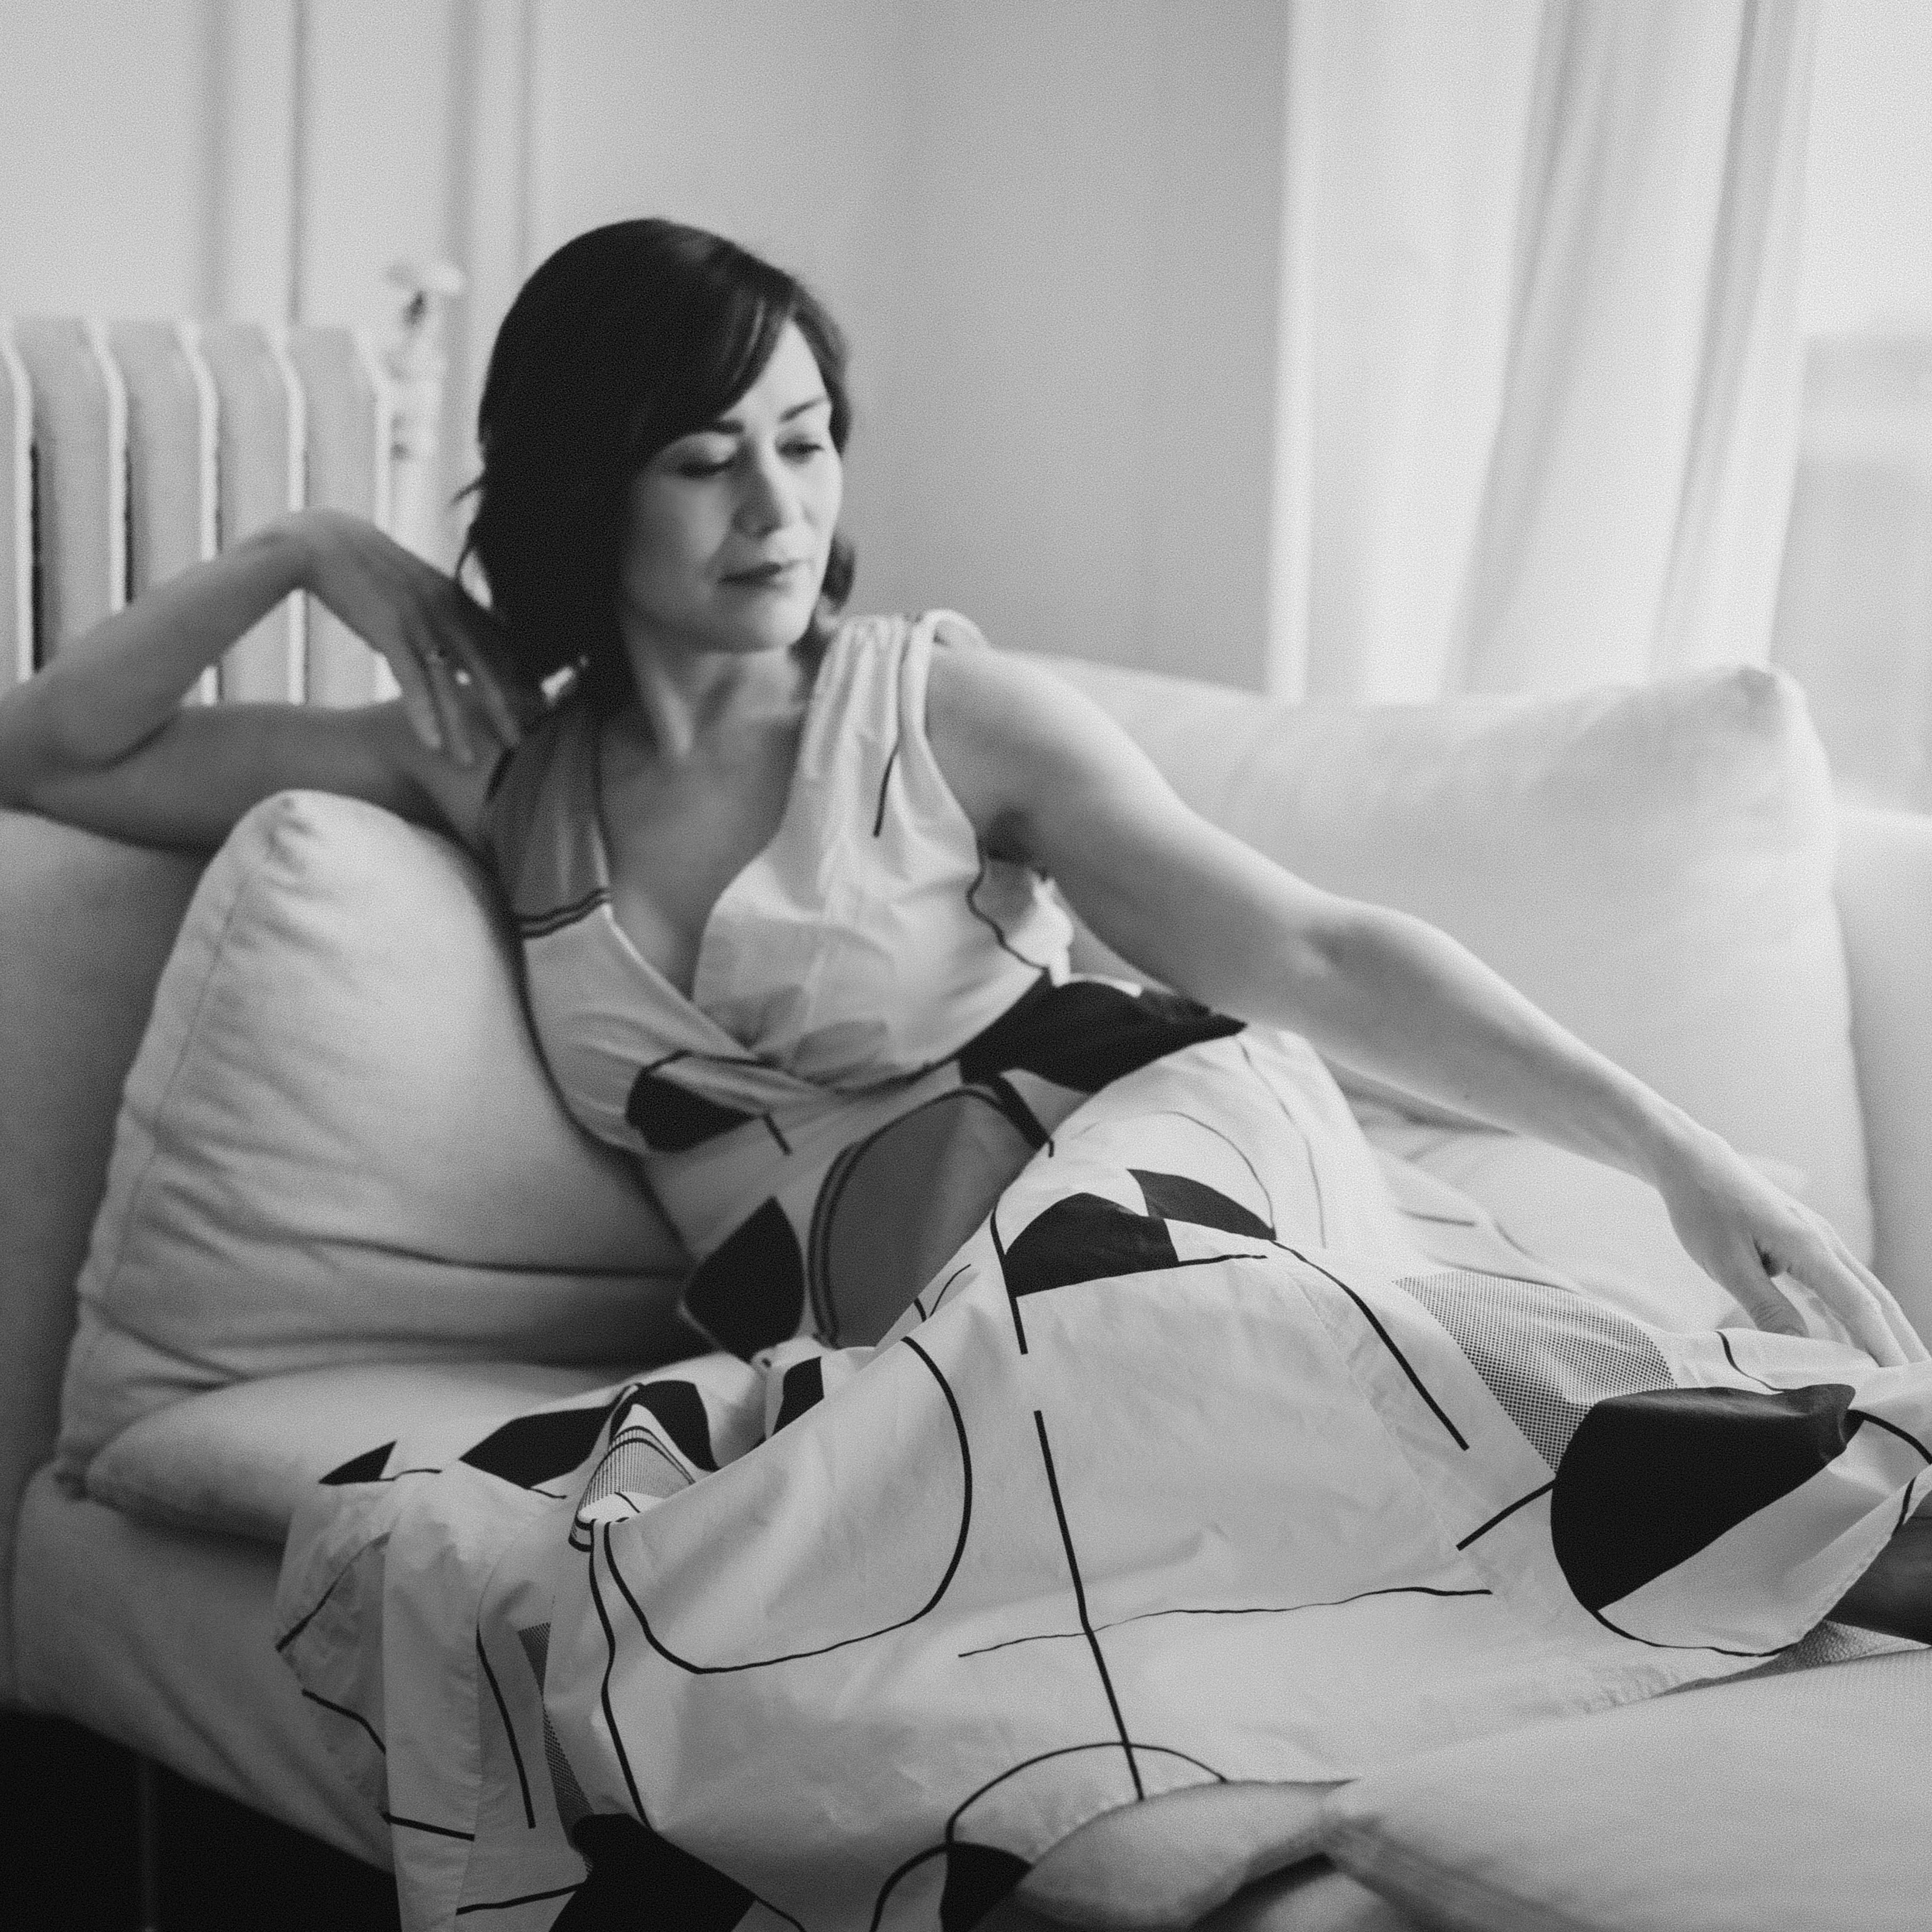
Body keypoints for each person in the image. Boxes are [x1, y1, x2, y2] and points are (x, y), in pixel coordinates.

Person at [2, 223, 1927, 1912]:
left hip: (1130, 1155)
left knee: (1159, 1341)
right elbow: (51, 754)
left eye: (807, 440)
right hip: (879, 1328)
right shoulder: (500, 765)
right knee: (651, 1579)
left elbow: (1312, 945)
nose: (777, 507)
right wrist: (303, 549)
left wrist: (1682, 1151)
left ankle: (1863, 1517)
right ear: (590, 485)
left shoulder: (934, 708)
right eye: (703, 458)